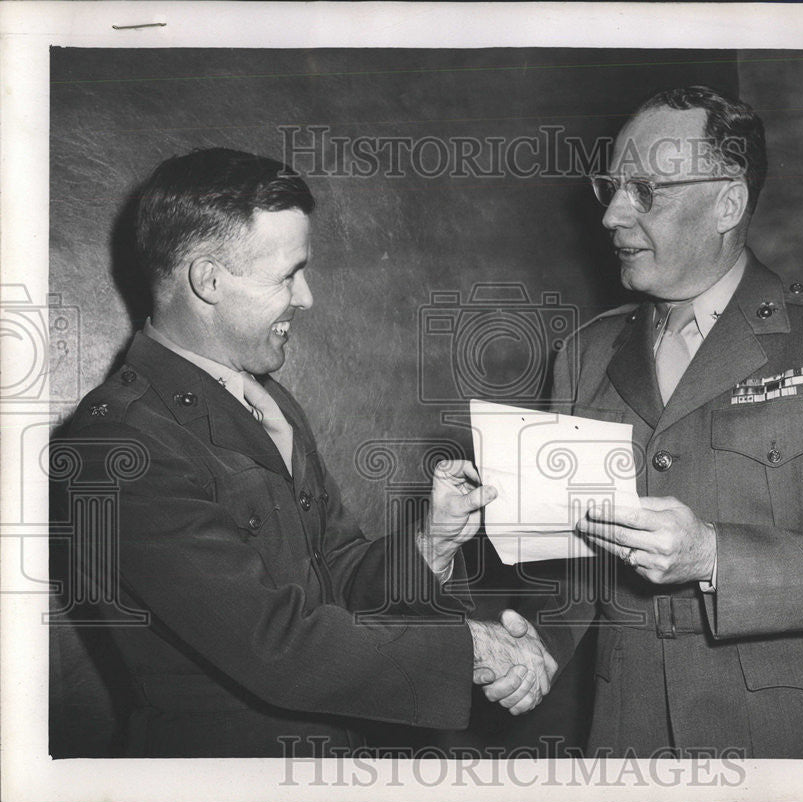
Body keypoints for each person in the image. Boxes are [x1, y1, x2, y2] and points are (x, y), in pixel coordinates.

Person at [54, 147, 553, 757]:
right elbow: (276, 645)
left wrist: (430, 544)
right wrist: (473, 649)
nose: (307, 297)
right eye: (288, 274)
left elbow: (332, 573)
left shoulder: (269, 403)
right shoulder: (117, 443)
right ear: (208, 280)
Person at [542, 86, 803, 758]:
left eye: (645, 189)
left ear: (728, 201)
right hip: (627, 753)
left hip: (794, 758)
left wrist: (714, 555)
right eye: (610, 186)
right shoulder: (584, 354)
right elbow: (576, 568)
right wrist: (537, 641)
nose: (612, 213)